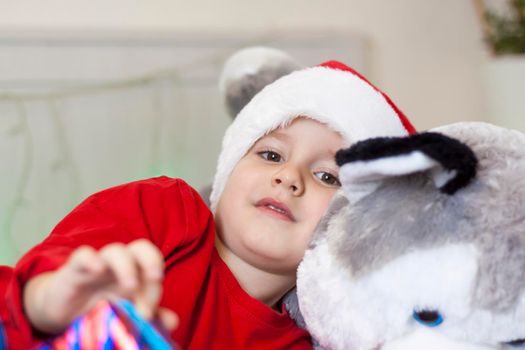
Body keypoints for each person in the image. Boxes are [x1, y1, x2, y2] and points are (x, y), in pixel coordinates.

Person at [0, 59, 415, 349]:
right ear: (229, 168)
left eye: (327, 176)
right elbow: (36, 282)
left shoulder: (304, 342)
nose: (289, 177)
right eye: (271, 155)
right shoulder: (162, 207)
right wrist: (45, 304)